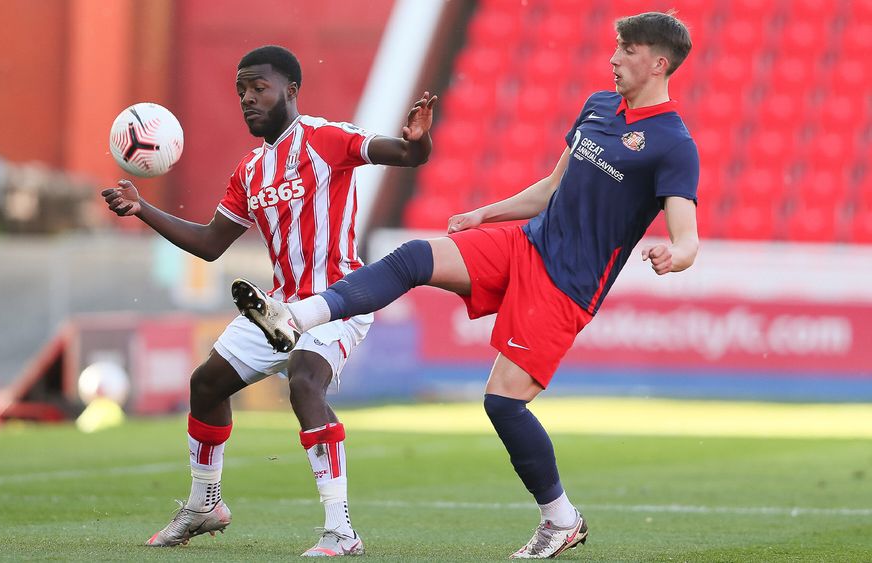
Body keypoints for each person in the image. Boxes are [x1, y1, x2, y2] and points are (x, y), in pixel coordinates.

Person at [232, 13, 698, 559]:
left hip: (566, 284)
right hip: (526, 243)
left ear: (659, 62)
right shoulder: (598, 107)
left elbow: (687, 237)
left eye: (628, 50)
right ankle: (300, 317)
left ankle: (561, 519)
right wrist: (486, 214)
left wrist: (676, 255)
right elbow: (552, 188)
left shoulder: (672, 144)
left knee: (503, 404)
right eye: (616, 48)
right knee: (412, 258)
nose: (614, 59)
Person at [101, 45, 436, 556]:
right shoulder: (250, 171)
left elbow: (406, 154)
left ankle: (341, 531)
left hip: (339, 298)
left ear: (291, 90)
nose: (248, 99)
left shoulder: (326, 139)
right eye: (241, 91)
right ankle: (204, 504)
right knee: (206, 384)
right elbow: (211, 245)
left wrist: (417, 142)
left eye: (259, 88)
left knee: (304, 379)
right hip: (277, 307)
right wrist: (142, 209)